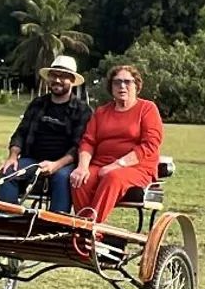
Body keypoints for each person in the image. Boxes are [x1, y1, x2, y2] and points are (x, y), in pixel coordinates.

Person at [0, 55, 92, 214]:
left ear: (72, 81)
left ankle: (54, 228)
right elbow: (20, 133)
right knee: (6, 173)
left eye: (63, 77)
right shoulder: (38, 104)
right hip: (33, 160)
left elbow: (78, 147)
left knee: (62, 178)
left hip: (64, 164)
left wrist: (56, 165)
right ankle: (7, 222)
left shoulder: (82, 110)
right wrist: (12, 157)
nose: (57, 80)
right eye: (54, 75)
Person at [70, 64, 163, 223]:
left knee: (113, 177)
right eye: (117, 82)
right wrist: (82, 166)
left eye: (128, 82)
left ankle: (89, 229)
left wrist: (117, 165)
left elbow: (150, 144)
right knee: (79, 180)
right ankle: (86, 230)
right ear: (111, 86)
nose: (122, 86)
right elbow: (88, 141)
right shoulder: (101, 112)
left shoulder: (147, 109)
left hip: (136, 168)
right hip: (100, 164)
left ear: (137, 85)